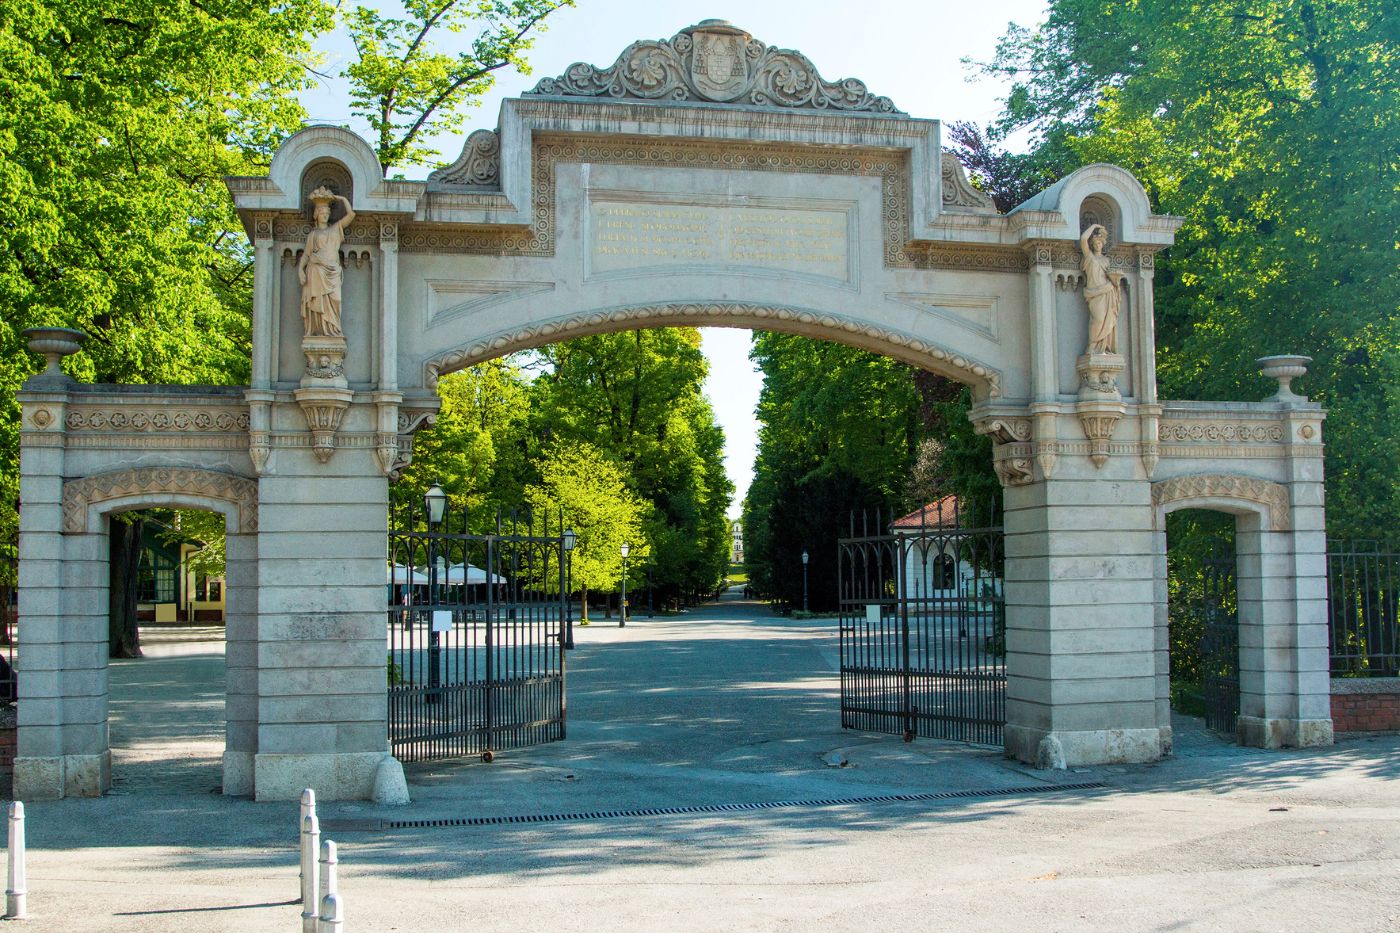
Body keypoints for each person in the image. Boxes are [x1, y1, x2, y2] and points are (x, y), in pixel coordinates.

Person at [298, 187, 355, 338]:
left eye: (327, 214)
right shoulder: (313, 234)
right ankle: (318, 331)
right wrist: (300, 270)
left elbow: (351, 215)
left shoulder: (335, 229)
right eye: (322, 213)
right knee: (317, 303)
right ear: (317, 215)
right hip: (315, 271)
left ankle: (333, 330)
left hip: (332, 272)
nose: (324, 216)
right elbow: (306, 255)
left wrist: (341, 199)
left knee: (336, 299)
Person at [1079, 223, 1125, 355]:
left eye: (1100, 243)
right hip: (1094, 294)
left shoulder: (1106, 261)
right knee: (1098, 319)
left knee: (1108, 320)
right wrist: (1093, 226)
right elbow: (1083, 239)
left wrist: (1115, 282)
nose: (1097, 245)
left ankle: (1103, 348)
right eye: (1095, 243)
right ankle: (1092, 346)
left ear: (1102, 244)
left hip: (1107, 292)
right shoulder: (1089, 258)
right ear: (1092, 245)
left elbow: (1110, 276)